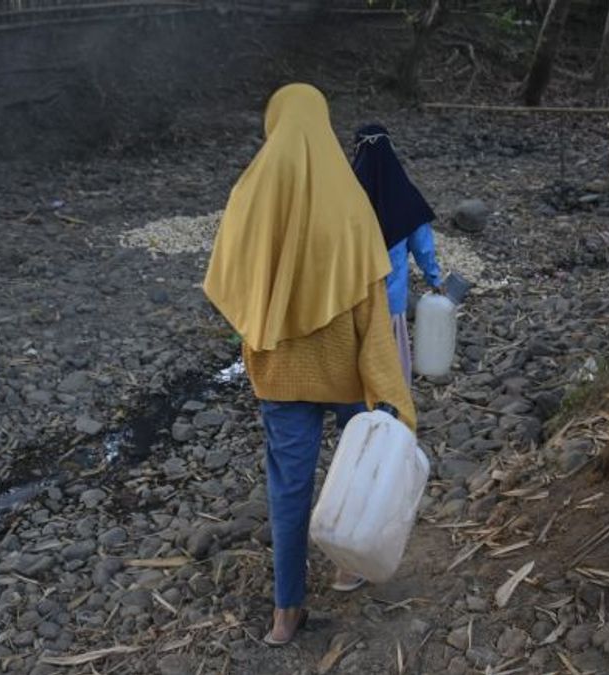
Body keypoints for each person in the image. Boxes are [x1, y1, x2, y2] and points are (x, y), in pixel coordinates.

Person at [203, 84, 417, 646]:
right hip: (346, 371)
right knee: (358, 476)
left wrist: (260, 331)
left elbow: (232, 282)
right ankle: (348, 566)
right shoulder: (349, 200)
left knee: (288, 491)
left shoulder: (251, 192)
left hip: (282, 374)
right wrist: (389, 389)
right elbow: (373, 309)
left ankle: (286, 612)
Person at [351, 124, 443, 382]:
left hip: (352, 300)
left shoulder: (348, 195)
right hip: (391, 301)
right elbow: (423, 246)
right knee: (389, 363)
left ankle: (356, 410)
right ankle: (389, 408)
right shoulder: (404, 196)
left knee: (355, 360)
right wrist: (434, 280)